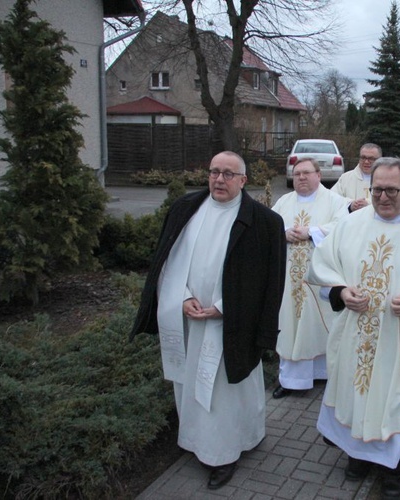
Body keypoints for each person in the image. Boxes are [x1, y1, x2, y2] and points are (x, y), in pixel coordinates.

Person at [130, 151, 286, 490]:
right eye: (214, 171)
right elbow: (166, 261)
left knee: (227, 393)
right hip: (188, 321)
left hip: (233, 325)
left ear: (244, 181)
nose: (219, 179)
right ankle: (198, 441)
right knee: (191, 385)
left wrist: (224, 305)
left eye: (229, 174)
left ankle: (223, 454)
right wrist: (181, 297)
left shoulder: (264, 222)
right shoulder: (185, 210)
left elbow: (268, 282)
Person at [307, 158, 400, 499]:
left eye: (392, 190)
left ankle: (394, 470)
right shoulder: (351, 223)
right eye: (377, 189)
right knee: (355, 393)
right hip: (355, 334)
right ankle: (358, 456)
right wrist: (341, 291)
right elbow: (322, 268)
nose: (384, 197)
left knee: (394, 401)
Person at [271, 158, 349, 398]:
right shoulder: (283, 201)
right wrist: (283, 234)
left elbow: (343, 228)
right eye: (296, 174)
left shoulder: (336, 201)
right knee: (290, 325)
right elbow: (268, 227)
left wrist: (311, 232)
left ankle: (322, 375)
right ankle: (291, 379)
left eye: (306, 173)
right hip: (288, 278)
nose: (301, 178)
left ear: (318, 174)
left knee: (319, 324)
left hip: (320, 279)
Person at [332, 143, 382, 212]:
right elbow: (332, 199)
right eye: (363, 157)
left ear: (379, 160)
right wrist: (350, 205)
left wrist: (369, 205)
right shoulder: (345, 178)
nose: (366, 162)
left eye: (371, 158)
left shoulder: (387, 179)